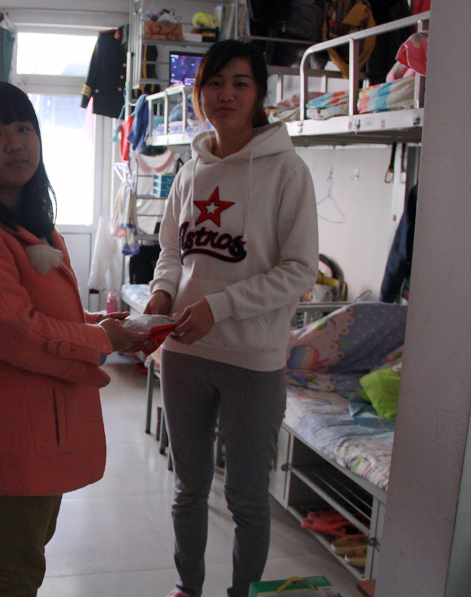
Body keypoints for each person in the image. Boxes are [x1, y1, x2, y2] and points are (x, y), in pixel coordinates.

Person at [0, 81, 145, 597]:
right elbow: (19, 333)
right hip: (9, 433)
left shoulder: (28, 224)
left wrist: (106, 325)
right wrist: (101, 339)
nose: (15, 144)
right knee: (10, 574)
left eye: (24, 128)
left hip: (42, 427)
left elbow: (44, 313)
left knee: (27, 555)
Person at [144, 40, 319, 597]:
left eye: (240, 83)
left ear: (260, 94)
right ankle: (187, 588)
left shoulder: (288, 171)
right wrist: (161, 294)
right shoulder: (191, 169)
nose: (225, 95)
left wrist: (219, 307)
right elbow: (171, 250)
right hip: (185, 352)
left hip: (253, 357)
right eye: (214, 84)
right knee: (188, 488)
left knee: (246, 497)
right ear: (200, 93)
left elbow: (300, 269)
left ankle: (243, 592)